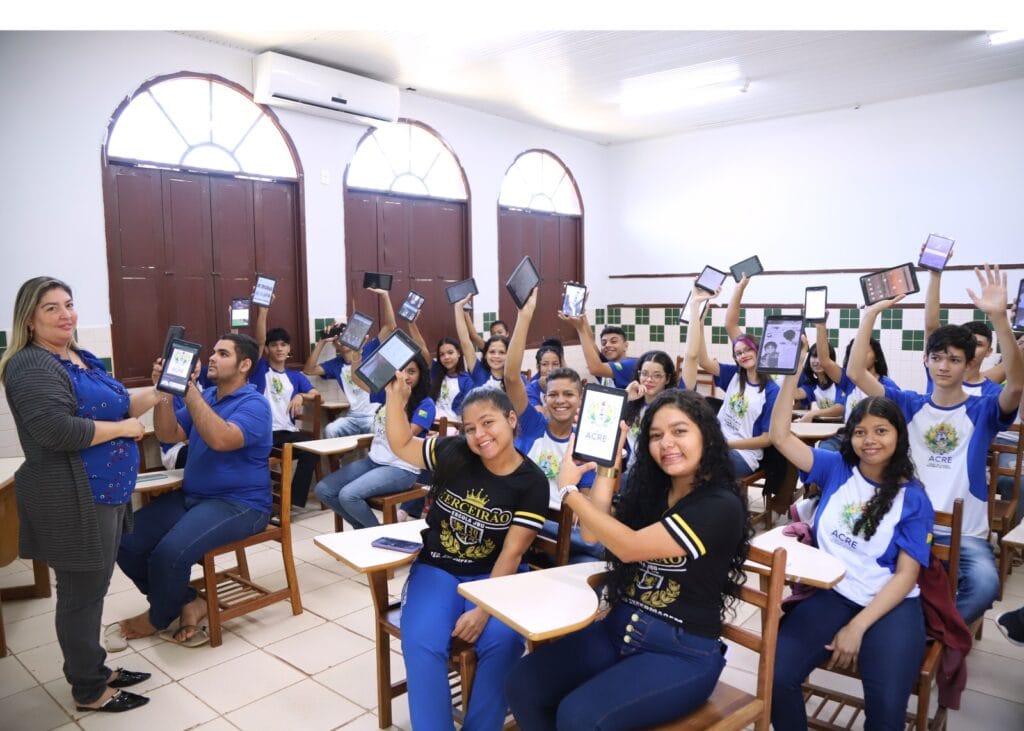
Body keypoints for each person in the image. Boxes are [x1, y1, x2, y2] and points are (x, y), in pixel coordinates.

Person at [505, 388, 751, 729]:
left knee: (578, 717)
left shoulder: (720, 505)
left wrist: (569, 492)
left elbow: (629, 547)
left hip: (682, 653)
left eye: (680, 431)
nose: (667, 443)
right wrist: (608, 468)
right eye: (656, 436)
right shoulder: (653, 491)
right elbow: (591, 534)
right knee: (523, 684)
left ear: (706, 436)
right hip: (617, 631)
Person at [0, 276, 154, 712]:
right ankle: (89, 690)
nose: (66, 314)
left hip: (107, 491)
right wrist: (123, 429)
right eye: (51, 308)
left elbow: (120, 404)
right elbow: (55, 430)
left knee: (94, 588)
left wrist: (162, 391)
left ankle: (95, 668)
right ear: (29, 320)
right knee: (80, 594)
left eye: (68, 304)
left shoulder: (79, 357)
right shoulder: (30, 365)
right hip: (75, 496)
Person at [769, 339, 934, 730]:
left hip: (890, 604)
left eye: (881, 431)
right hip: (833, 593)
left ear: (899, 437)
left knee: (887, 712)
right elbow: (780, 436)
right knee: (775, 678)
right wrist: (793, 372)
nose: (869, 440)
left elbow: (906, 576)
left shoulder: (914, 498)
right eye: (860, 432)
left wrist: (857, 627)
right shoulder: (835, 468)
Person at [847, 264, 1023, 625]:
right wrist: (870, 314)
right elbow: (855, 373)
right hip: (907, 521)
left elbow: (1017, 386)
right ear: (925, 360)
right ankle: (904, 626)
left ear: (968, 364)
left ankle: (935, 633)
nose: (944, 366)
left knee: (985, 585)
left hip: (966, 532)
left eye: (954, 359)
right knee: (855, 563)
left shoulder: (984, 409)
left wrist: (999, 320)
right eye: (937, 357)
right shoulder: (908, 404)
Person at [384, 382, 548, 731]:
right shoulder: (453, 452)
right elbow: (401, 445)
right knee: (422, 641)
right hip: (438, 568)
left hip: (495, 578)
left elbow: (513, 551)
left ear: (511, 420)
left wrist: (483, 610)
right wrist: (394, 398)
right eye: (470, 428)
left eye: (488, 423)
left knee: (504, 642)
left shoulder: (532, 482)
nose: (479, 435)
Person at [114, 333, 273, 647]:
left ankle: (157, 617)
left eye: (223, 354)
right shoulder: (209, 395)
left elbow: (221, 439)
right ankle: (189, 601)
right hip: (194, 497)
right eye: (213, 352)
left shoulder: (255, 404)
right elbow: (168, 433)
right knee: (125, 539)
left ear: (244, 365)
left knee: (169, 554)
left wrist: (188, 392)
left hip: (241, 505)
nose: (211, 357)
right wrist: (164, 393)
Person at [504, 289, 600, 561]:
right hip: (523, 518)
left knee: (590, 561)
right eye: (553, 394)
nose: (560, 401)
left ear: (579, 399)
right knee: (597, 549)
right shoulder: (533, 424)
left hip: (563, 531)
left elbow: (586, 496)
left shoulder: (584, 442)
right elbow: (511, 377)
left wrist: (583, 512)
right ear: (544, 398)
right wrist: (524, 316)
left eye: (568, 394)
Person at [313, 350, 435, 529]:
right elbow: (358, 379)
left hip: (401, 468)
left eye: (411, 371)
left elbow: (405, 437)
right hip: (374, 461)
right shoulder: (388, 392)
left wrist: (401, 401)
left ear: (421, 374)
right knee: (323, 490)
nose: (405, 376)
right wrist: (356, 356)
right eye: (401, 370)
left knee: (348, 496)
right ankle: (364, 530)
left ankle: (377, 535)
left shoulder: (425, 404)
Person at [688, 279, 779, 478]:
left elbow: (767, 439)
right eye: (738, 353)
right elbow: (704, 361)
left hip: (743, 455)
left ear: (758, 351)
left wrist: (728, 444)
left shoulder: (772, 390)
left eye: (747, 350)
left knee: (701, 468)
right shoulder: (735, 375)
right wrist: (700, 323)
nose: (743, 355)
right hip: (716, 443)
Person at [252, 302, 321, 505]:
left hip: (287, 433)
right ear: (267, 349)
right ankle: (278, 500)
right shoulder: (259, 369)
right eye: (274, 345)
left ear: (289, 348)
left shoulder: (295, 376)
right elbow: (259, 341)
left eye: (283, 344)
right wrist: (263, 311)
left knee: (313, 450)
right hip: (265, 433)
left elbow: (317, 395)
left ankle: (291, 501)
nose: (279, 348)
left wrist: (301, 396)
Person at [304, 288, 395, 437]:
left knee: (377, 429)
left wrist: (385, 296)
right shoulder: (336, 365)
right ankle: (337, 456)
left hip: (373, 413)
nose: (343, 339)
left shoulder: (368, 349)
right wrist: (322, 341)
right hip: (353, 416)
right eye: (338, 338)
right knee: (330, 430)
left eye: (346, 334)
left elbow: (390, 327)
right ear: (335, 344)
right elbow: (309, 370)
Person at [812, 318, 896, 451]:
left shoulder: (887, 385)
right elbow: (825, 362)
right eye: (855, 354)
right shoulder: (848, 380)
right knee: (824, 449)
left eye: (865, 352)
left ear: (876, 357)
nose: (859, 357)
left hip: (874, 440)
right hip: (847, 437)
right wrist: (821, 326)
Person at [622, 350, 677, 470]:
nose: (649, 380)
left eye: (657, 375)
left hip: (659, 470)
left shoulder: (672, 408)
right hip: (632, 469)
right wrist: (625, 396)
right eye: (644, 374)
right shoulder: (632, 403)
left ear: (667, 379)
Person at [408, 324, 474, 424]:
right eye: (442, 354)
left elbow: (468, 411)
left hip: (452, 426)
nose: (446, 357)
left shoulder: (466, 381)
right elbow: (422, 348)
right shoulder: (436, 371)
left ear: (459, 353)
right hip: (427, 422)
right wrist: (411, 323)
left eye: (450, 353)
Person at [560, 310, 638, 388]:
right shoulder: (605, 365)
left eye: (613, 341)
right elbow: (591, 341)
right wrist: (582, 315)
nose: (607, 345)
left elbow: (595, 368)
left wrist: (580, 329)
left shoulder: (631, 365)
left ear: (625, 345)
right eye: (604, 343)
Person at [455, 294, 508, 390]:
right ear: (485, 354)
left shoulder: (514, 379)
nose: (496, 356)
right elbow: (465, 342)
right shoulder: (479, 372)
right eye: (492, 352)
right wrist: (458, 308)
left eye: (502, 352)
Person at [795, 341, 842, 421]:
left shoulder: (840, 380)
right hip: (825, 426)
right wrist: (800, 360)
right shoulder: (812, 386)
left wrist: (813, 414)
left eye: (821, 357)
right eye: (814, 356)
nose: (817, 361)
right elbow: (794, 394)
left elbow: (840, 409)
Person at [525, 340, 564, 412]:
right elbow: (540, 414)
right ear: (538, 367)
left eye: (555, 364)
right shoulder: (530, 390)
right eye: (545, 364)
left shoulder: (566, 385)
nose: (550, 369)